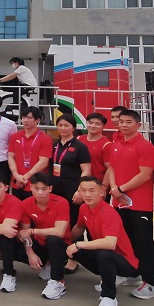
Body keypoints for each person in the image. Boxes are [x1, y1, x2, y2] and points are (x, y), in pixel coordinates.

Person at [66, 176, 140, 306]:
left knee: (104, 253)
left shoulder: (109, 213)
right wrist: (65, 243)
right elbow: (79, 228)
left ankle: (109, 298)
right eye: (83, 191)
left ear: (101, 193)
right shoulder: (84, 208)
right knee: (69, 248)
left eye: (92, 190)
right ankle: (56, 281)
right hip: (103, 258)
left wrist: (79, 244)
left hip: (126, 263)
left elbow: (110, 243)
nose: (87, 194)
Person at [107, 109, 154, 299]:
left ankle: (150, 282)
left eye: (128, 122)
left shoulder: (145, 147)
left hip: (139, 204)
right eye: (121, 121)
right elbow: (111, 169)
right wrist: (114, 189)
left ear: (138, 125)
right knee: (124, 241)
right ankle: (131, 273)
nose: (124, 125)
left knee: (143, 243)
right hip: (118, 202)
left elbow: (145, 174)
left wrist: (121, 189)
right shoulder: (116, 145)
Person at [15, 173, 71, 300]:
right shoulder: (25, 204)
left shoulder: (61, 202)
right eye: (36, 188)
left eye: (44, 189)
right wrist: (30, 253)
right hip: (40, 243)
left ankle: (58, 281)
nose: (40, 192)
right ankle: (46, 264)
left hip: (61, 246)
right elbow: (24, 233)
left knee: (53, 239)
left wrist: (32, 231)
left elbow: (59, 232)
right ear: (30, 187)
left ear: (50, 188)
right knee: (16, 248)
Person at [51, 113, 92, 272]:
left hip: (72, 191)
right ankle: (59, 254)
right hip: (56, 190)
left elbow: (86, 170)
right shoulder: (55, 144)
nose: (63, 128)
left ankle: (73, 258)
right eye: (60, 125)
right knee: (58, 223)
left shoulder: (80, 147)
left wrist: (80, 191)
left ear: (73, 128)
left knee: (73, 223)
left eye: (66, 125)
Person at [7, 106, 53, 200]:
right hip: (17, 182)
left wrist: (25, 177)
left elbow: (43, 162)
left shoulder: (45, 138)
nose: (25, 120)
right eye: (23, 117)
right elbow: (11, 156)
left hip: (35, 183)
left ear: (37, 120)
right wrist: (16, 175)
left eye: (29, 118)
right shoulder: (15, 137)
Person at [78, 112, 112, 187]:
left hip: (96, 185)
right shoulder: (78, 139)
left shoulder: (107, 145)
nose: (93, 126)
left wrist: (104, 186)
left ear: (103, 126)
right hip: (77, 183)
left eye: (97, 124)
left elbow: (110, 169)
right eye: (90, 123)